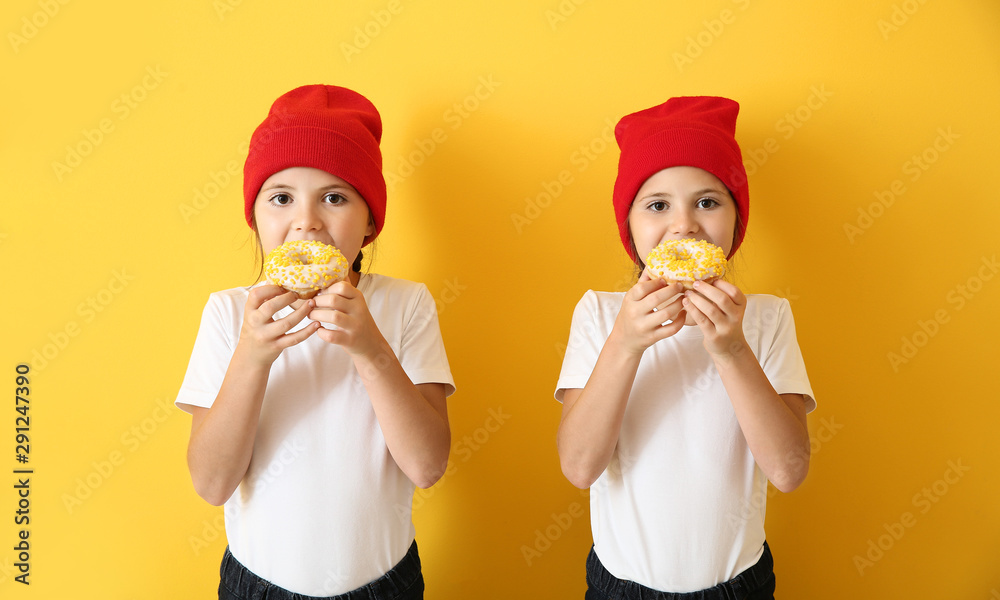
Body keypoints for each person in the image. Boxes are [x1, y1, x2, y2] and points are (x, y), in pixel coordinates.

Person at [176, 85, 454, 600]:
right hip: (257, 583)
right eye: (281, 197)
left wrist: (371, 349)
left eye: (334, 197)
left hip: (384, 582)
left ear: (370, 222)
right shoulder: (227, 314)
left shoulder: (405, 305)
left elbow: (427, 466)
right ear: (255, 218)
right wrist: (252, 357)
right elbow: (212, 484)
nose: (306, 220)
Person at [554, 96, 815, 599]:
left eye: (708, 201)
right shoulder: (601, 314)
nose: (684, 224)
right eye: (657, 205)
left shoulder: (766, 318)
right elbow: (580, 467)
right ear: (629, 228)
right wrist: (626, 345)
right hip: (620, 585)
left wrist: (732, 351)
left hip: (738, 585)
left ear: (736, 222)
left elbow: (788, 470)